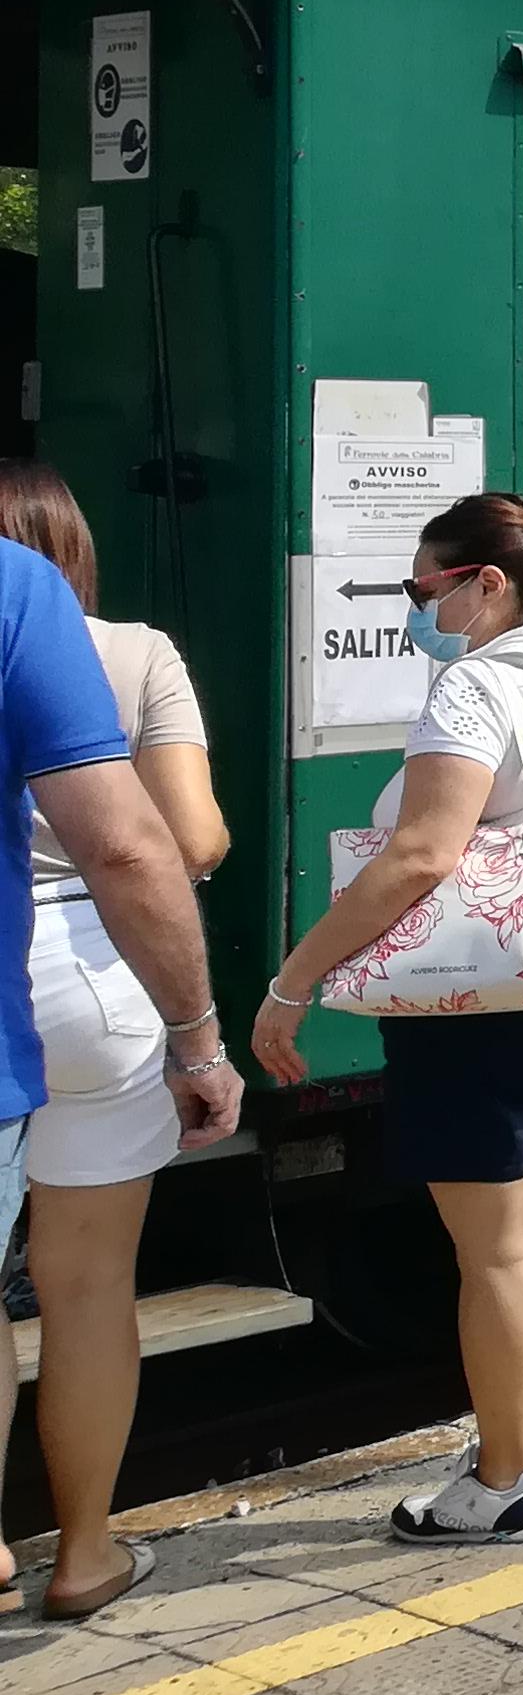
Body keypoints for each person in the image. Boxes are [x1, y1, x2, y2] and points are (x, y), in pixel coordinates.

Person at [249, 494, 523, 1543]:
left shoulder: (476, 687)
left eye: (420, 589)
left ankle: (502, 1482)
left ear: (483, 583)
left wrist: (293, 981)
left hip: (486, 1001)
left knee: (493, 1252)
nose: (416, 608)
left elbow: (419, 855)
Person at [0, 467, 235, 1620]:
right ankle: (85, 1553)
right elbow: (187, 839)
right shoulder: (135, 650)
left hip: (1, 977)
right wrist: (201, 1042)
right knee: (88, 1286)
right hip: (103, 984)